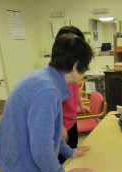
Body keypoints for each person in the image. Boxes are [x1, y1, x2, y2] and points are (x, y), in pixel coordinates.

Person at [0, 33, 94, 172]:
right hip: (21, 169)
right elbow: (41, 147)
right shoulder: (48, 90)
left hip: (15, 158)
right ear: (75, 66)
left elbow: (49, 131)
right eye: (85, 67)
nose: (85, 72)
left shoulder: (46, 78)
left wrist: (68, 152)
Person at [55, 26, 91, 164]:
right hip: (61, 124)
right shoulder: (56, 80)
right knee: (61, 159)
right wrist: (61, 127)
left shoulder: (72, 75)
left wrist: (81, 104)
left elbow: (75, 91)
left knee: (73, 152)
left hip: (72, 120)